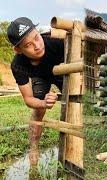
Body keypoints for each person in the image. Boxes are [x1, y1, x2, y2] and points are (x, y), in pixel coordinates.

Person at [7, 17, 64, 166]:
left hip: (63, 71)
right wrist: (43, 102)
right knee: (38, 110)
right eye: (28, 45)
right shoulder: (17, 65)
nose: (37, 46)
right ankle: (33, 149)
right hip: (40, 77)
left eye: (37, 38)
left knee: (73, 103)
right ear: (18, 50)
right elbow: (28, 99)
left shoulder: (56, 42)